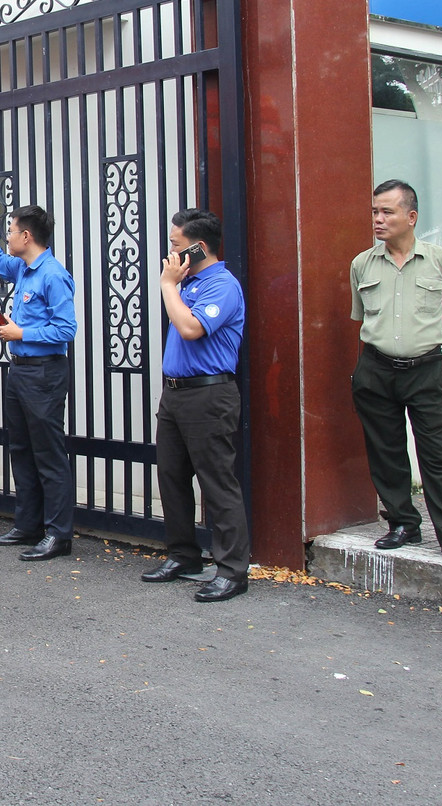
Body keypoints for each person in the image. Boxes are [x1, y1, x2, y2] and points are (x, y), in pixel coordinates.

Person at [350, 179, 442, 565]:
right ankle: (403, 523)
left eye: (387, 211)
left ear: (411, 216)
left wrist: (418, 344)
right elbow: (362, 318)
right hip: (376, 369)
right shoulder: (362, 264)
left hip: (425, 370)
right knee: (385, 451)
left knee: (438, 453)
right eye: (375, 211)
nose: (378, 219)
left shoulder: (441, 261)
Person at [140, 209, 251, 602]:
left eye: (176, 244)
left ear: (199, 247)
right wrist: (175, 285)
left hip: (209, 395)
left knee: (217, 482)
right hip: (176, 394)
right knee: (171, 476)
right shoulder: (187, 283)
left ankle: (233, 570)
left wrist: (167, 284)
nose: (170, 252)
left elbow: (191, 328)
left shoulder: (222, 285)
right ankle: (183, 555)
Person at [0, 193, 78, 561]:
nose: (8, 238)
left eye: (11, 231)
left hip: (44, 372)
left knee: (48, 453)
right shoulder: (23, 268)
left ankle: (59, 534)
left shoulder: (53, 274)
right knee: (21, 449)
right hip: (21, 371)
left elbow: (66, 329)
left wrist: (22, 333)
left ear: (27, 236)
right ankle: (28, 525)